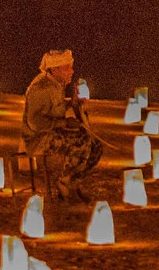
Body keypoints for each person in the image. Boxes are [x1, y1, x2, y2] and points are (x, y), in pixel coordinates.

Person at [19, 48, 103, 200]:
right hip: (37, 139)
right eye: (67, 68)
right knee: (81, 143)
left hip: (50, 133)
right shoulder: (41, 88)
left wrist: (74, 104)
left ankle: (72, 183)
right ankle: (64, 185)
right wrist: (64, 122)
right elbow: (35, 122)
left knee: (95, 145)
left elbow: (55, 109)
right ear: (55, 69)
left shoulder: (56, 84)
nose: (72, 71)